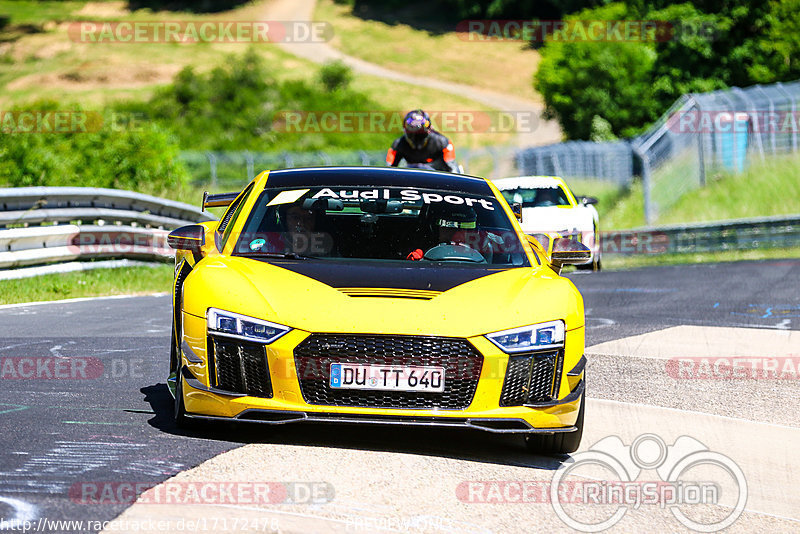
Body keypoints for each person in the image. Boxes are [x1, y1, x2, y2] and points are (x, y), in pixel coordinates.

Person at [386, 109, 458, 173]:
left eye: (420, 135)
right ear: (405, 131)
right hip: (412, 179)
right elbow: (388, 171)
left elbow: (454, 171)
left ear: (430, 130)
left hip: (439, 179)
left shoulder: (443, 143)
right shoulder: (398, 145)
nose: (416, 140)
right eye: (411, 135)